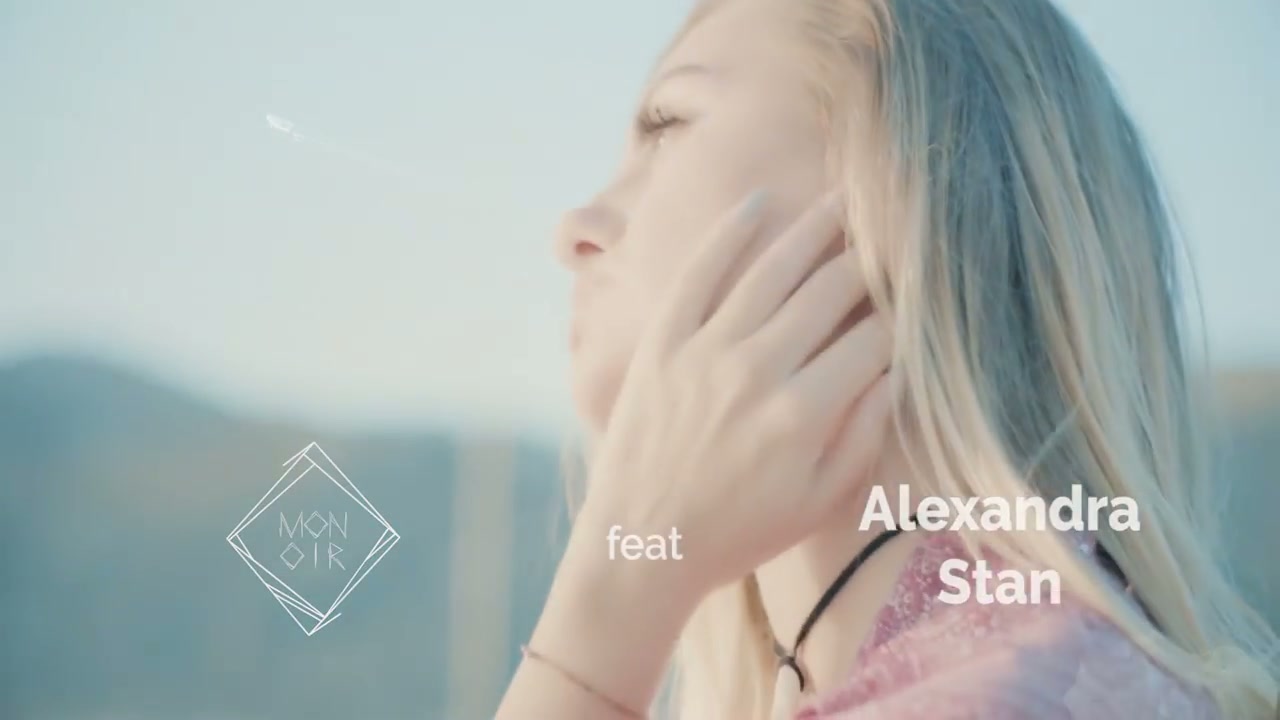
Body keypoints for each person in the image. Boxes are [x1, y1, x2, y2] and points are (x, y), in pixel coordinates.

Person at [495, 0, 1280, 717]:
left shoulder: (995, 699)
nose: (572, 228)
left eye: (667, 124)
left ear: (902, 187)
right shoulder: (1057, 676)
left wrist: (609, 603)